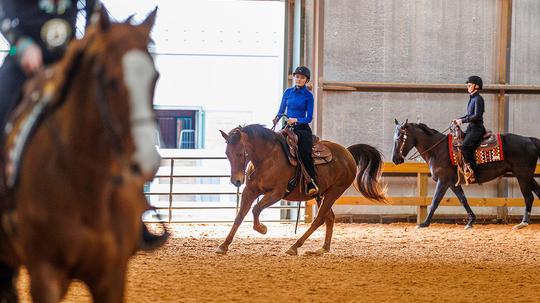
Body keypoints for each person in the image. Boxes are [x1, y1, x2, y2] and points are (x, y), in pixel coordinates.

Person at [0, 0, 165, 249]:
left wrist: (93, 44)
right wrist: (20, 45)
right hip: (23, 60)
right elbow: (4, 13)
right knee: (2, 112)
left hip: (71, 61)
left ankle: (134, 211)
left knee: (113, 117)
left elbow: (95, 15)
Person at [273, 66, 318, 196]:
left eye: (302, 77)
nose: (299, 79)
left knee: (304, 153)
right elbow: (281, 110)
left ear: (306, 80)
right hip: (287, 127)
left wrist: (296, 120)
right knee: (276, 147)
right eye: (297, 76)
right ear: (294, 77)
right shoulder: (287, 92)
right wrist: (277, 117)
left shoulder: (309, 96)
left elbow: (309, 118)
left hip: (302, 128)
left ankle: (311, 182)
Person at [452, 75, 485, 179]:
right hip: (471, 127)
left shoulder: (478, 99)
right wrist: (459, 119)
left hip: (477, 128)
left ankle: (474, 172)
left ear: (476, 86)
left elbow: (476, 116)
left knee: (465, 147)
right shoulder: (472, 98)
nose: (468, 87)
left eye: (469, 85)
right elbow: (469, 115)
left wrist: (462, 121)